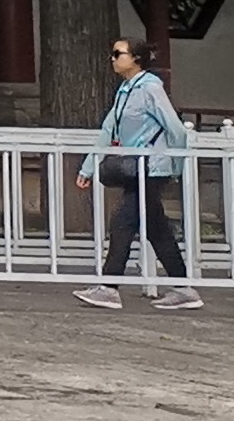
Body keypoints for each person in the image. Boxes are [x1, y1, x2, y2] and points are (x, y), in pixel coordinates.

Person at [74, 36, 203, 311]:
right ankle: (183, 288)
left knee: (122, 223)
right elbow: (108, 130)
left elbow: (176, 130)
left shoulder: (150, 88)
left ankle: (109, 287)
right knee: (156, 229)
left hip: (151, 168)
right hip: (138, 168)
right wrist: (88, 167)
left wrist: (175, 167)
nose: (113, 58)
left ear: (136, 59)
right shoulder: (125, 90)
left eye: (118, 53)